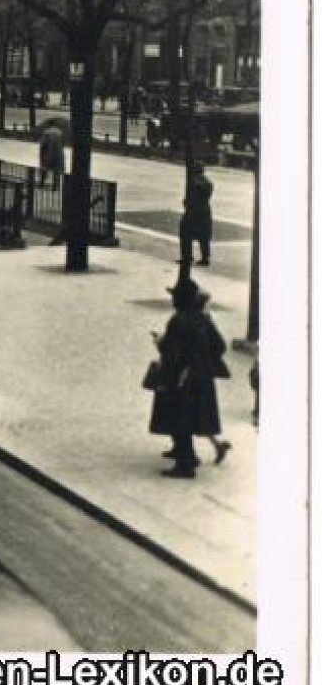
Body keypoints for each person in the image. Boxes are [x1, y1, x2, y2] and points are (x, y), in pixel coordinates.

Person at [150, 279, 231, 479]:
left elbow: (172, 351)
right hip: (202, 376)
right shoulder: (203, 319)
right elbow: (219, 346)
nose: (172, 300)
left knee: (178, 416)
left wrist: (160, 343)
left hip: (181, 377)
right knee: (191, 416)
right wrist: (204, 359)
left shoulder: (178, 320)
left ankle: (185, 463)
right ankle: (184, 453)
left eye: (174, 297)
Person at [179, 163, 215, 268]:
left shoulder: (193, 182)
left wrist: (186, 203)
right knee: (204, 235)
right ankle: (205, 257)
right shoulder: (208, 183)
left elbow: (191, 197)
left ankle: (187, 256)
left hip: (193, 211)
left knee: (185, 233)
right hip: (205, 210)